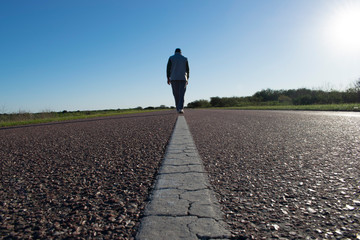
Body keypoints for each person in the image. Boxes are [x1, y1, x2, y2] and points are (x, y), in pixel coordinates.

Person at [167, 48, 190, 113]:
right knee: (182, 94)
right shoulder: (185, 58)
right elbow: (188, 70)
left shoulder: (171, 58)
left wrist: (168, 78)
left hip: (174, 78)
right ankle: (180, 108)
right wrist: (187, 78)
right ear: (181, 52)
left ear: (175, 52)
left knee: (176, 94)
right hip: (183, 78)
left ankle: (178, 108)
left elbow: (168, 69)